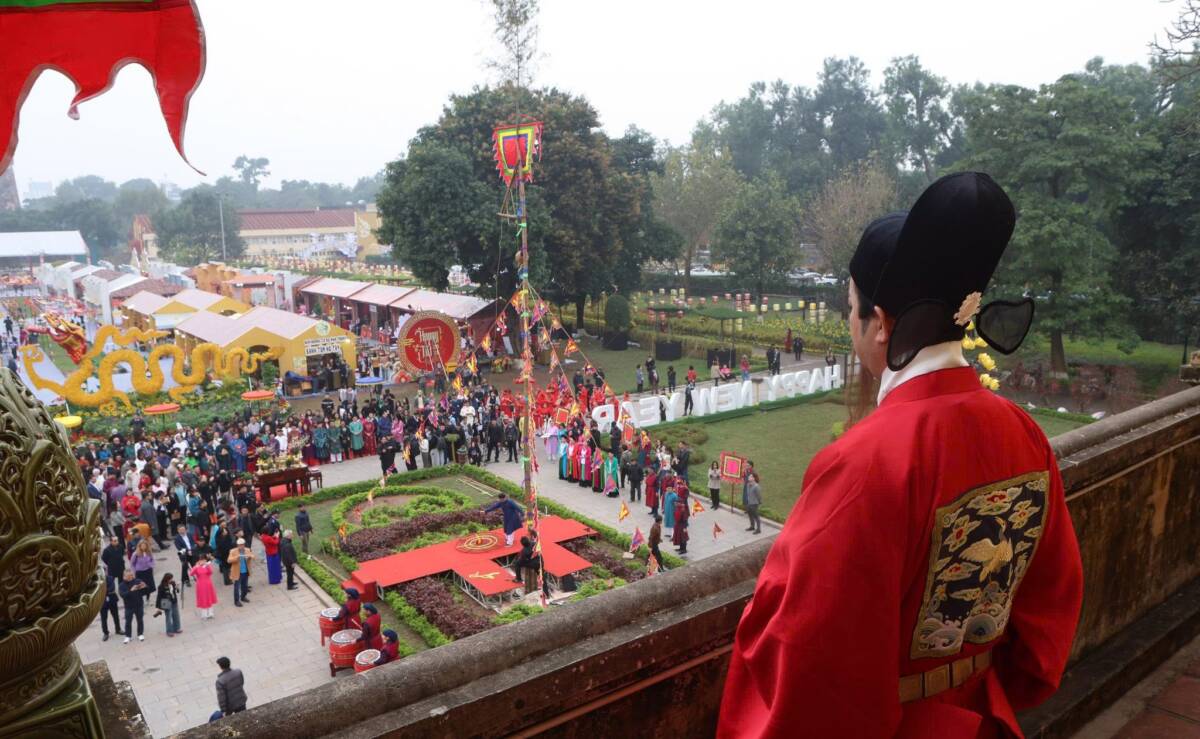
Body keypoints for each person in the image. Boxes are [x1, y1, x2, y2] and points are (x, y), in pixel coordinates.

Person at [718, 173, 1084, 737]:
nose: (849, 322)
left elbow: (809, 653)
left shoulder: (865, 463)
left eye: (851, 308)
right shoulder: (1024, 434)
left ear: (881, 325)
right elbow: (1052, 597)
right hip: (981, 719)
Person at [118, 570, 146, 643]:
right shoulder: (121, 585)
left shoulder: (137, 581)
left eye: (131, 575)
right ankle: (128, 636)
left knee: (140, 620)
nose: (130, 577)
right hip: (129, 607)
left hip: (139, 605)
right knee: (128, 622)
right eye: (128, 576)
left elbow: (145, 590)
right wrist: (131, 590)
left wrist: (144, 586)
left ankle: (140, 634)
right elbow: (123, 595)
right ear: (124, 577)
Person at [190, 552, 218, 619]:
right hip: (200, 585)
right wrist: (196, 567)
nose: (203, 561)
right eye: (201, 560)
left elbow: (210, 573)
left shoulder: (206, 566)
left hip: (208, 584)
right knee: (203, 599)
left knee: (209, 598)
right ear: (199, 560)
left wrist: (207, 566)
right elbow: (191, 574)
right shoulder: (196, 567)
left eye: (204, 560)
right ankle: (204, 614)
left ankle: (210, 613)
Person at [154, 573, 182, 637]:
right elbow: (159, 597)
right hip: (166, 602)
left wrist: (177, 587)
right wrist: (158, 607)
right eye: (170, 579)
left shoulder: (173, 583)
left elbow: (177, 591)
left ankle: (177, 628)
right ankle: (169, 631)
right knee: (168, 617)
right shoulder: (161, 586)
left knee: (176, 615)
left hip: (174, 601)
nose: (172, 580)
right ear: (167, 579)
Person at [227, 538, 254, 607]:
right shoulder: (233, 551)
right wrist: (236, 558)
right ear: (237, 545)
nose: (241, 546)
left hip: (245, 571)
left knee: (245, 586)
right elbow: (229, 560)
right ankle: (236, 601)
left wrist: (249, 557)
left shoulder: (247, 550)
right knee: (236, 587)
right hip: (237, 572)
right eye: (239, 545)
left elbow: (253, 556)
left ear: (244, 545)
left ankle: (243, 597)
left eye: (242, 545)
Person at [99, 575, 123, 641]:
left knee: (116, 616)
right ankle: (105, 633)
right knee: (103, 618)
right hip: (102, 601)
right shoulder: (96, 580)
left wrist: (102, 591)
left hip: (112, 600)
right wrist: (105, 591)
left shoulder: (110, 578)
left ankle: (118, 629)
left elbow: (112, 588)